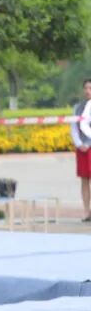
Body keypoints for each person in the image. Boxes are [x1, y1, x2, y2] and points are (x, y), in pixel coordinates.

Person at [72, 79, 91, 222]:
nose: (88, 91)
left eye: (90, 88)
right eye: (86, 88)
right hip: (82, 149)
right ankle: (86, 211)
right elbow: (73, 127)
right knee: (84, 180)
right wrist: (79, 144)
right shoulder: (78, 108)